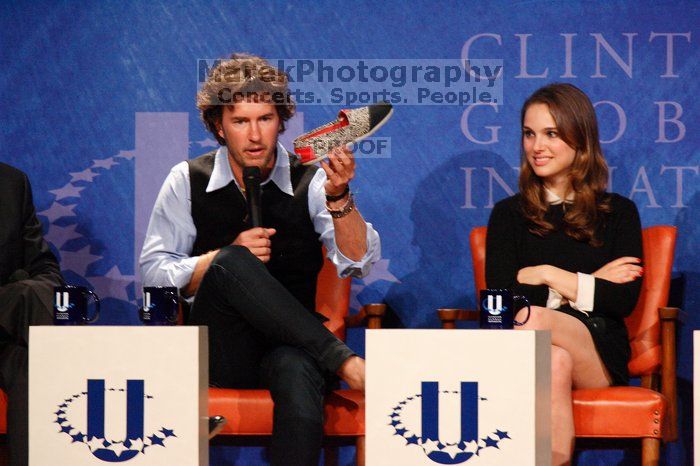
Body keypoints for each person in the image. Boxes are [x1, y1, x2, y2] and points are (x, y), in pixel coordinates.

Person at [139, 53, 380, 465]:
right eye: (240, 121)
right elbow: (153, 275)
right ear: (219, 125)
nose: (254, 136)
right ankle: (346, 362)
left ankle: (329, 359)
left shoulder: (312, 179)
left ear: (281, 121)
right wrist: (218, 258)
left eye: (265, 119)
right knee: (231, 260)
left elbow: (358, 262)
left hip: (294, 345)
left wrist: (339, 198)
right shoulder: (187, 180)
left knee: (296, 373)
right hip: (222, 349)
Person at [485, 83, 643, 465]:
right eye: (529, 133)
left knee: (532, 317)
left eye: (551, 134)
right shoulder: (508, 215)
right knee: (551, 359)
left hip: (598, 353)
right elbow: (500, 307)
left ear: (581, 141)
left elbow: (622, 300)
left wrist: (548, 275)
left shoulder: (617, 212)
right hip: (528, 352)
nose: (537, 146)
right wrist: (586, 283)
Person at [0, 162, 64, 466]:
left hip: (7, 329)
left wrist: (41, 289)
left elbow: (43, 265)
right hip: (12, 305)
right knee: (28, 295)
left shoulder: (11, 182)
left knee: (33, 364)